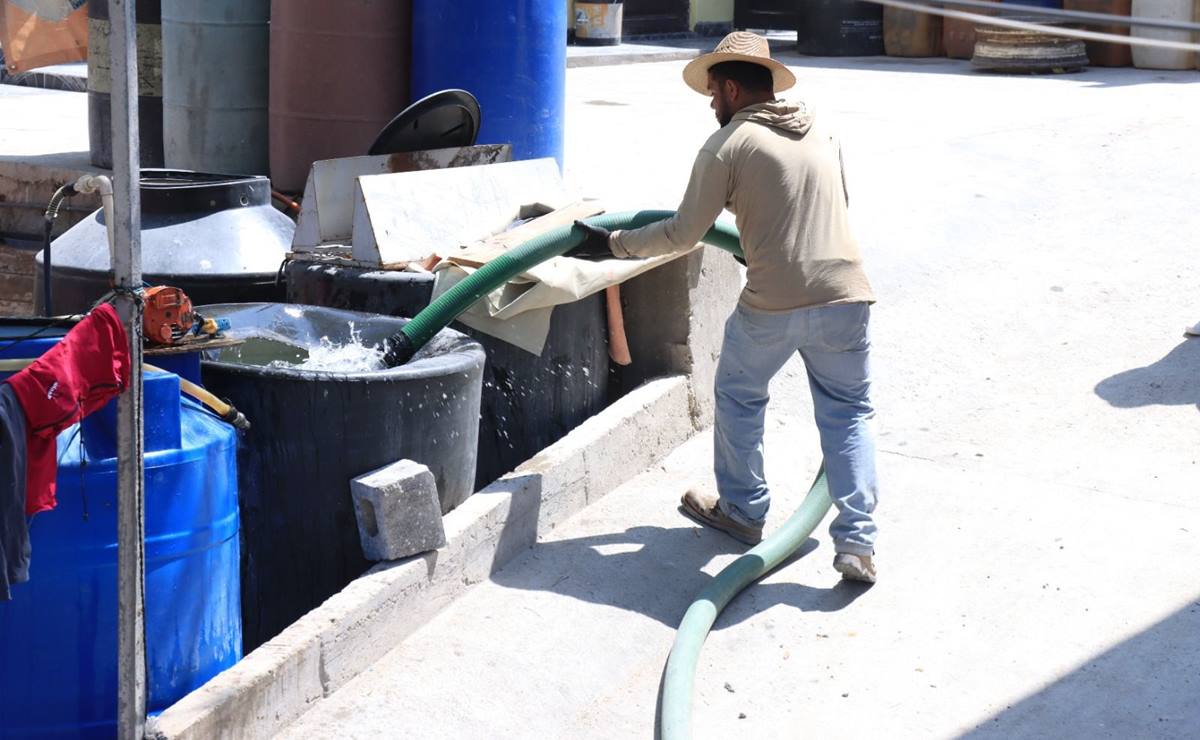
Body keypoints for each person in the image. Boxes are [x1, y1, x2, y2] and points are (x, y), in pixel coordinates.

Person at [569, 32, 880, 583]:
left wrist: (613, 245)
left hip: (774, 302)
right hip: (848, 295)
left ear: (733, 89)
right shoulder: (823, 130)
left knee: (739, 395)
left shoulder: (728, 143)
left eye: (713, 92)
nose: (711, 103)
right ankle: (857, 543)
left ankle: (742, 510)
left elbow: (683, 232)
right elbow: (830, 207)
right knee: (848, 413)